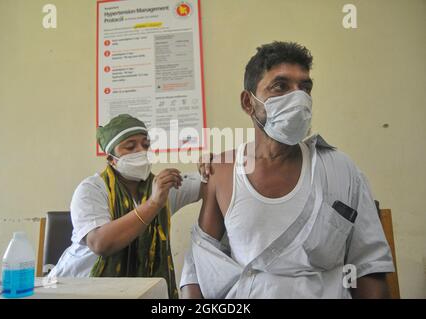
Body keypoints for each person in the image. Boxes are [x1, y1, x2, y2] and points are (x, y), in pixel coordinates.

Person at [181, 41, 395, 299]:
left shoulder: (340, 170)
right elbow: (199, 267)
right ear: (248, 103)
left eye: (305, 87)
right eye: (280, 86)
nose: (298, 97)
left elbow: (368, 268)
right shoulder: (223, 171)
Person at [48, 114, 205, 299]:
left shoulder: (161, 188)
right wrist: (153, 204)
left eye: (145, 145)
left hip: (136, 292)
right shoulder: (91, 189)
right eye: (130, 146)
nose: (140, 151)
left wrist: (212, 163)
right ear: (111, 158)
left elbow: (211, 180)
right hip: (76, 288)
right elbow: (100, 243)